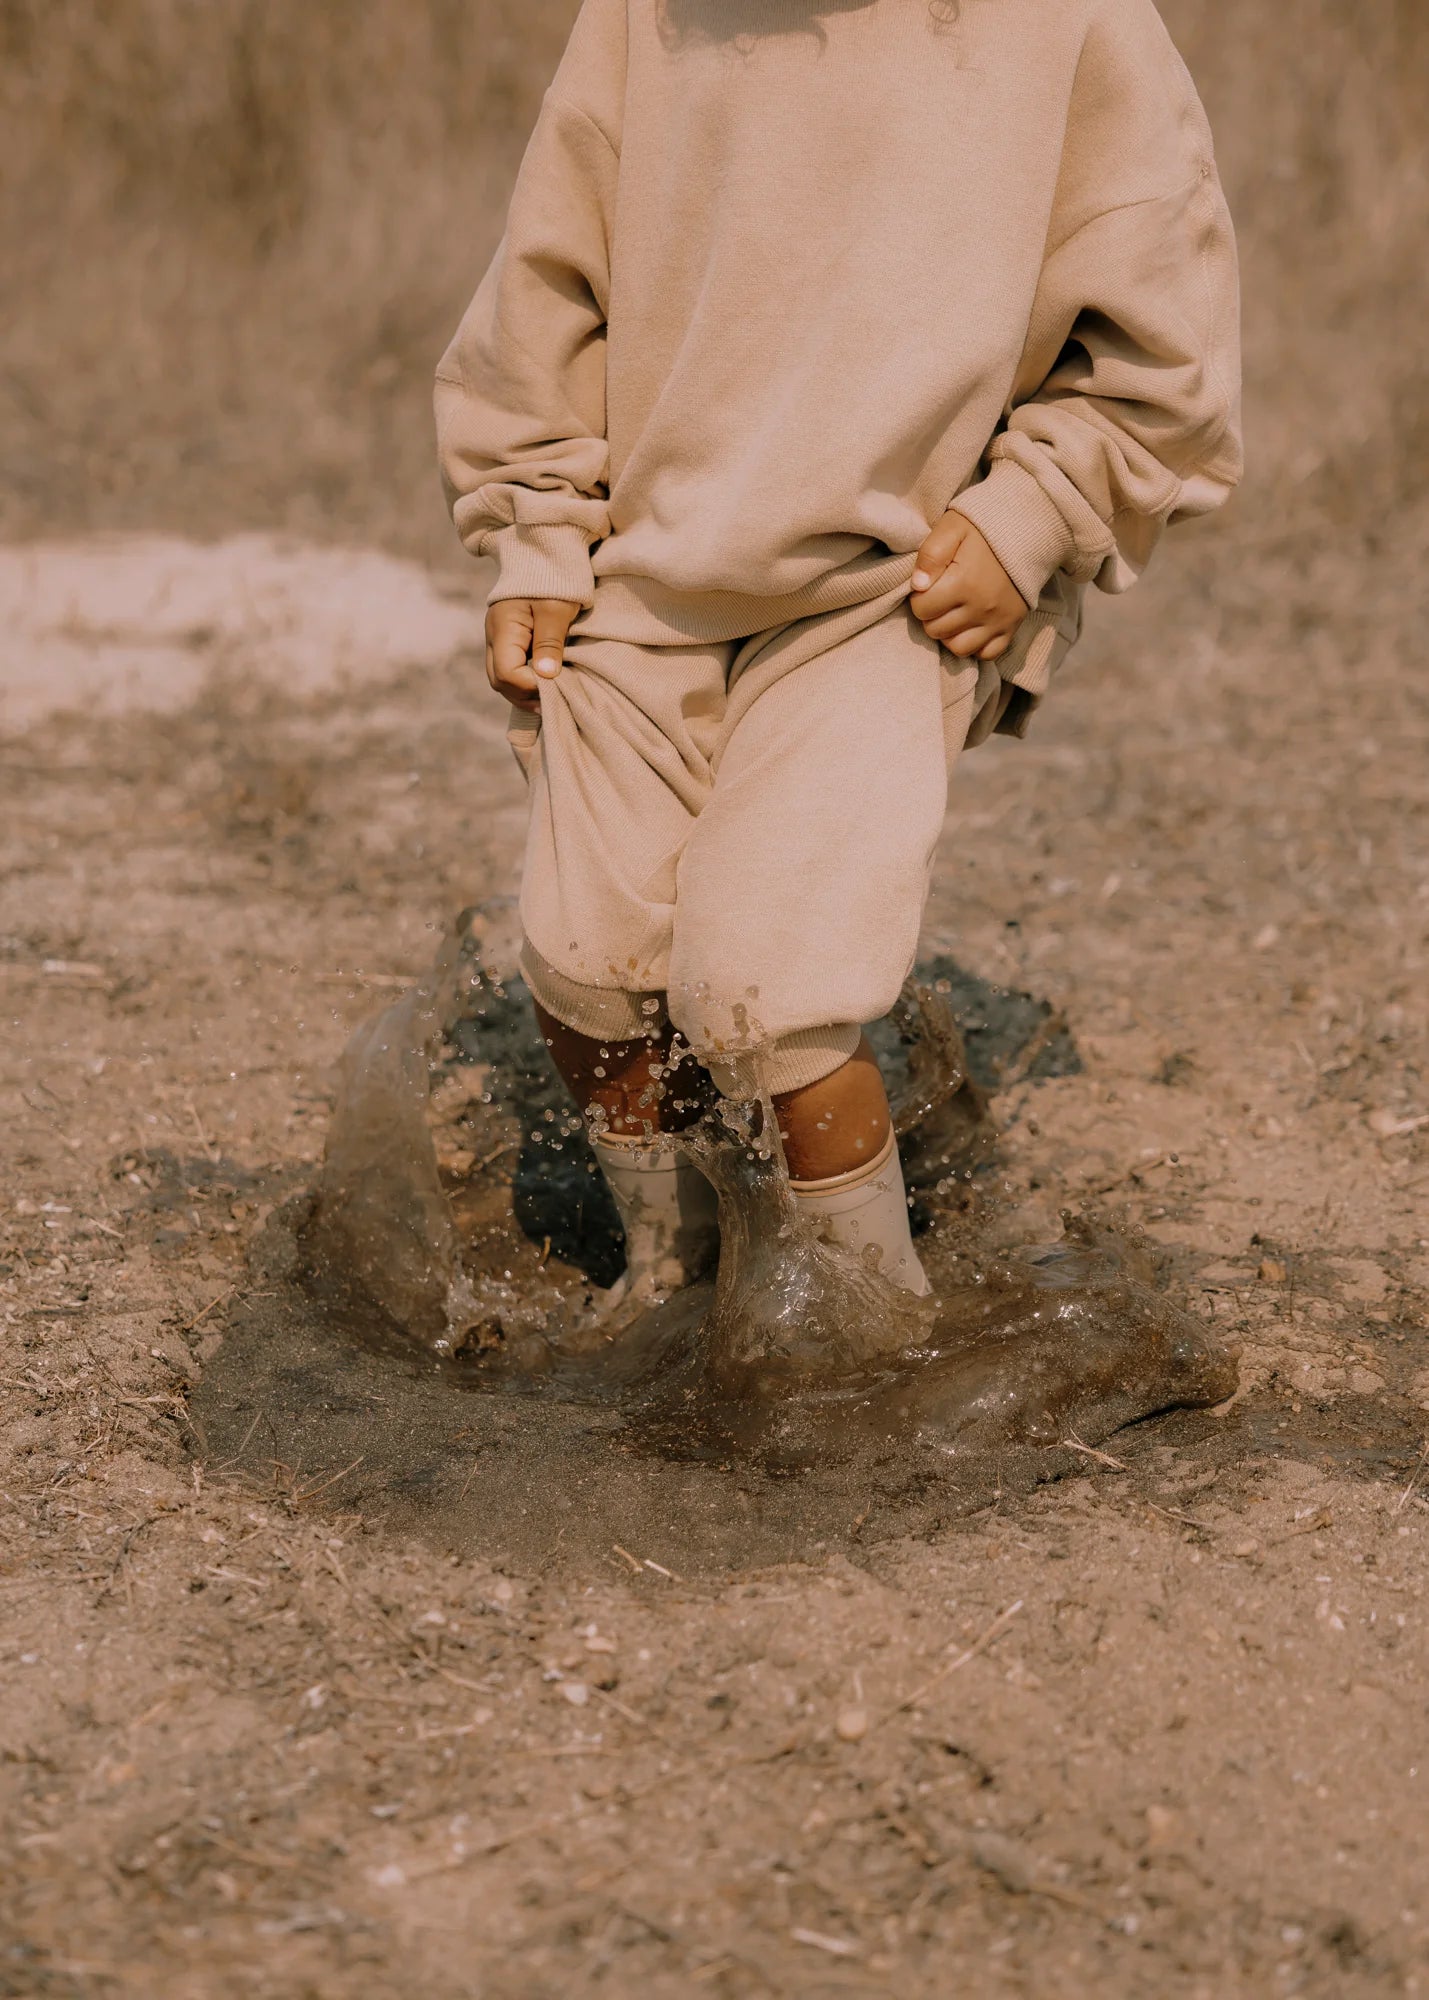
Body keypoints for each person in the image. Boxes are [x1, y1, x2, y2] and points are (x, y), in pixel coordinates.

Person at [436, 0, 1241, 1305]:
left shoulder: (1065, 25)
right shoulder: (647, 18)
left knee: (770, 988)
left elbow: (1159, 341)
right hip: (642, 577)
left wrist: (1029, 509)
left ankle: (864, 1327)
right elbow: (547, 291)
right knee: (585, 966)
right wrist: (535, 529)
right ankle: (673, 1275)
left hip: (890, 587)